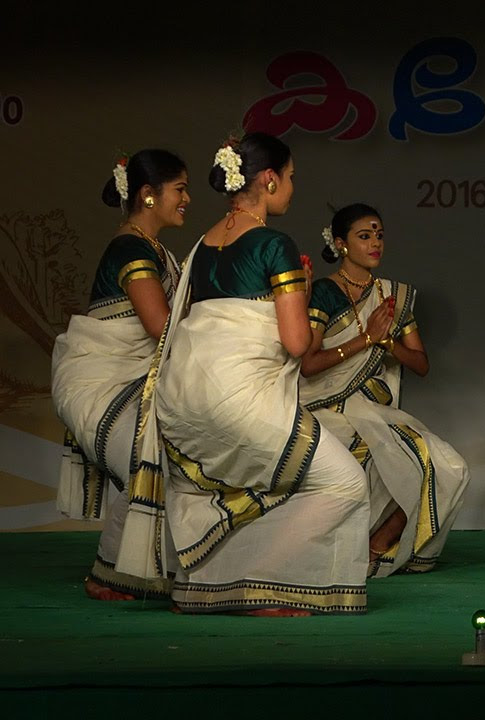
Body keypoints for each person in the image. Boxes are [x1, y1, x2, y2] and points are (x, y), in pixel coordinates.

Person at [155, 133, 370, 616]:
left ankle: (204, 583)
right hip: (241, 399)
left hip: (183, 398)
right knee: (346, 484)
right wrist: (304, 293)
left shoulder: (202, 244)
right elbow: (296, 343)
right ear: (269, 180)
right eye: (291, 178)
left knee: (246, 487)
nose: (293, 188)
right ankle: (256, 582)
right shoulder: (275, 244)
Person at [298, 203, 469, 576]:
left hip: (372, 409)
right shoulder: (324, 293)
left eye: (379, 235)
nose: (375, 243)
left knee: (446, 465)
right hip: (325, 407)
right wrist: (365, 339)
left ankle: (376, 546)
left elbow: (420, 364)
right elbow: (308, 365)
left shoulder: (394, 297)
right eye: (364, 236)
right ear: (341, 244)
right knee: (390, 459)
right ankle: (340, 551)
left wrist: (388, 343)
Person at [52, 149, 188, 600]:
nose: (187, 199)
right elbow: (160, 326)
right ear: (148, 195)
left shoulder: (158, 252)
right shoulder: (129, 247)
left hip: (134, 379)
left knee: (171, 442)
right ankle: (107, 574)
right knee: (147, 451)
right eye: (180, 189)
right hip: (101, 382)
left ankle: (144, 568)